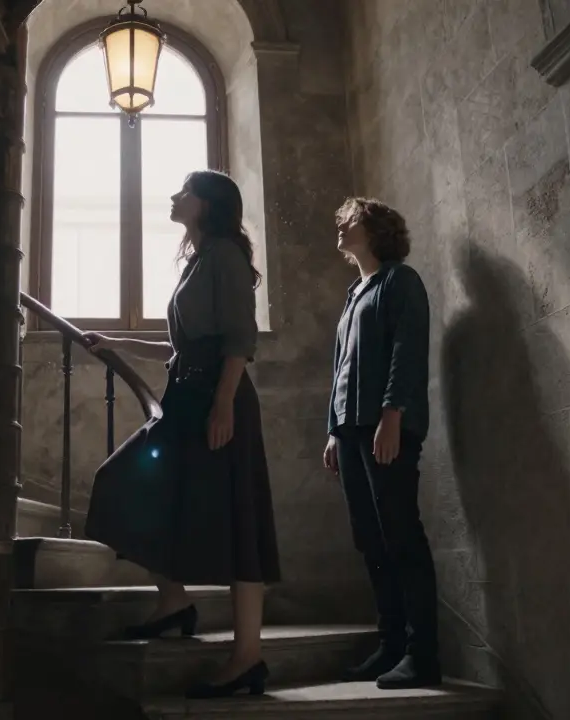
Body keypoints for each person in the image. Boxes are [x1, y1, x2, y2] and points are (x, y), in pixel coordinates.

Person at [85, 170, 281, 699]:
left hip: (220, 399)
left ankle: (247, 657)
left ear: (208, 204)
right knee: (125, 484)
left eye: (185, 191)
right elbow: (182, 352)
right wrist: (117, 343)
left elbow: (239, 340)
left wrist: (222, 406)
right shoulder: (198, 259)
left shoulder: (225, 256)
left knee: (240, 521)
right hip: (185, 400)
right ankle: (174, 601)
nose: (175, 197)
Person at [323, 197, 440, 689]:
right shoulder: (355, 292)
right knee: (370, 540)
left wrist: (392, 415)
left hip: (385, 428)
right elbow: (342, 369)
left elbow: (406, 352)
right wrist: (333, 429)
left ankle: (422, 655)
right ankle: (391, 644)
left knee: (400, 535)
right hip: (351, 433)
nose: (341, 226)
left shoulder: (399, 281)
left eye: (349, 220)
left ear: (374, 229)